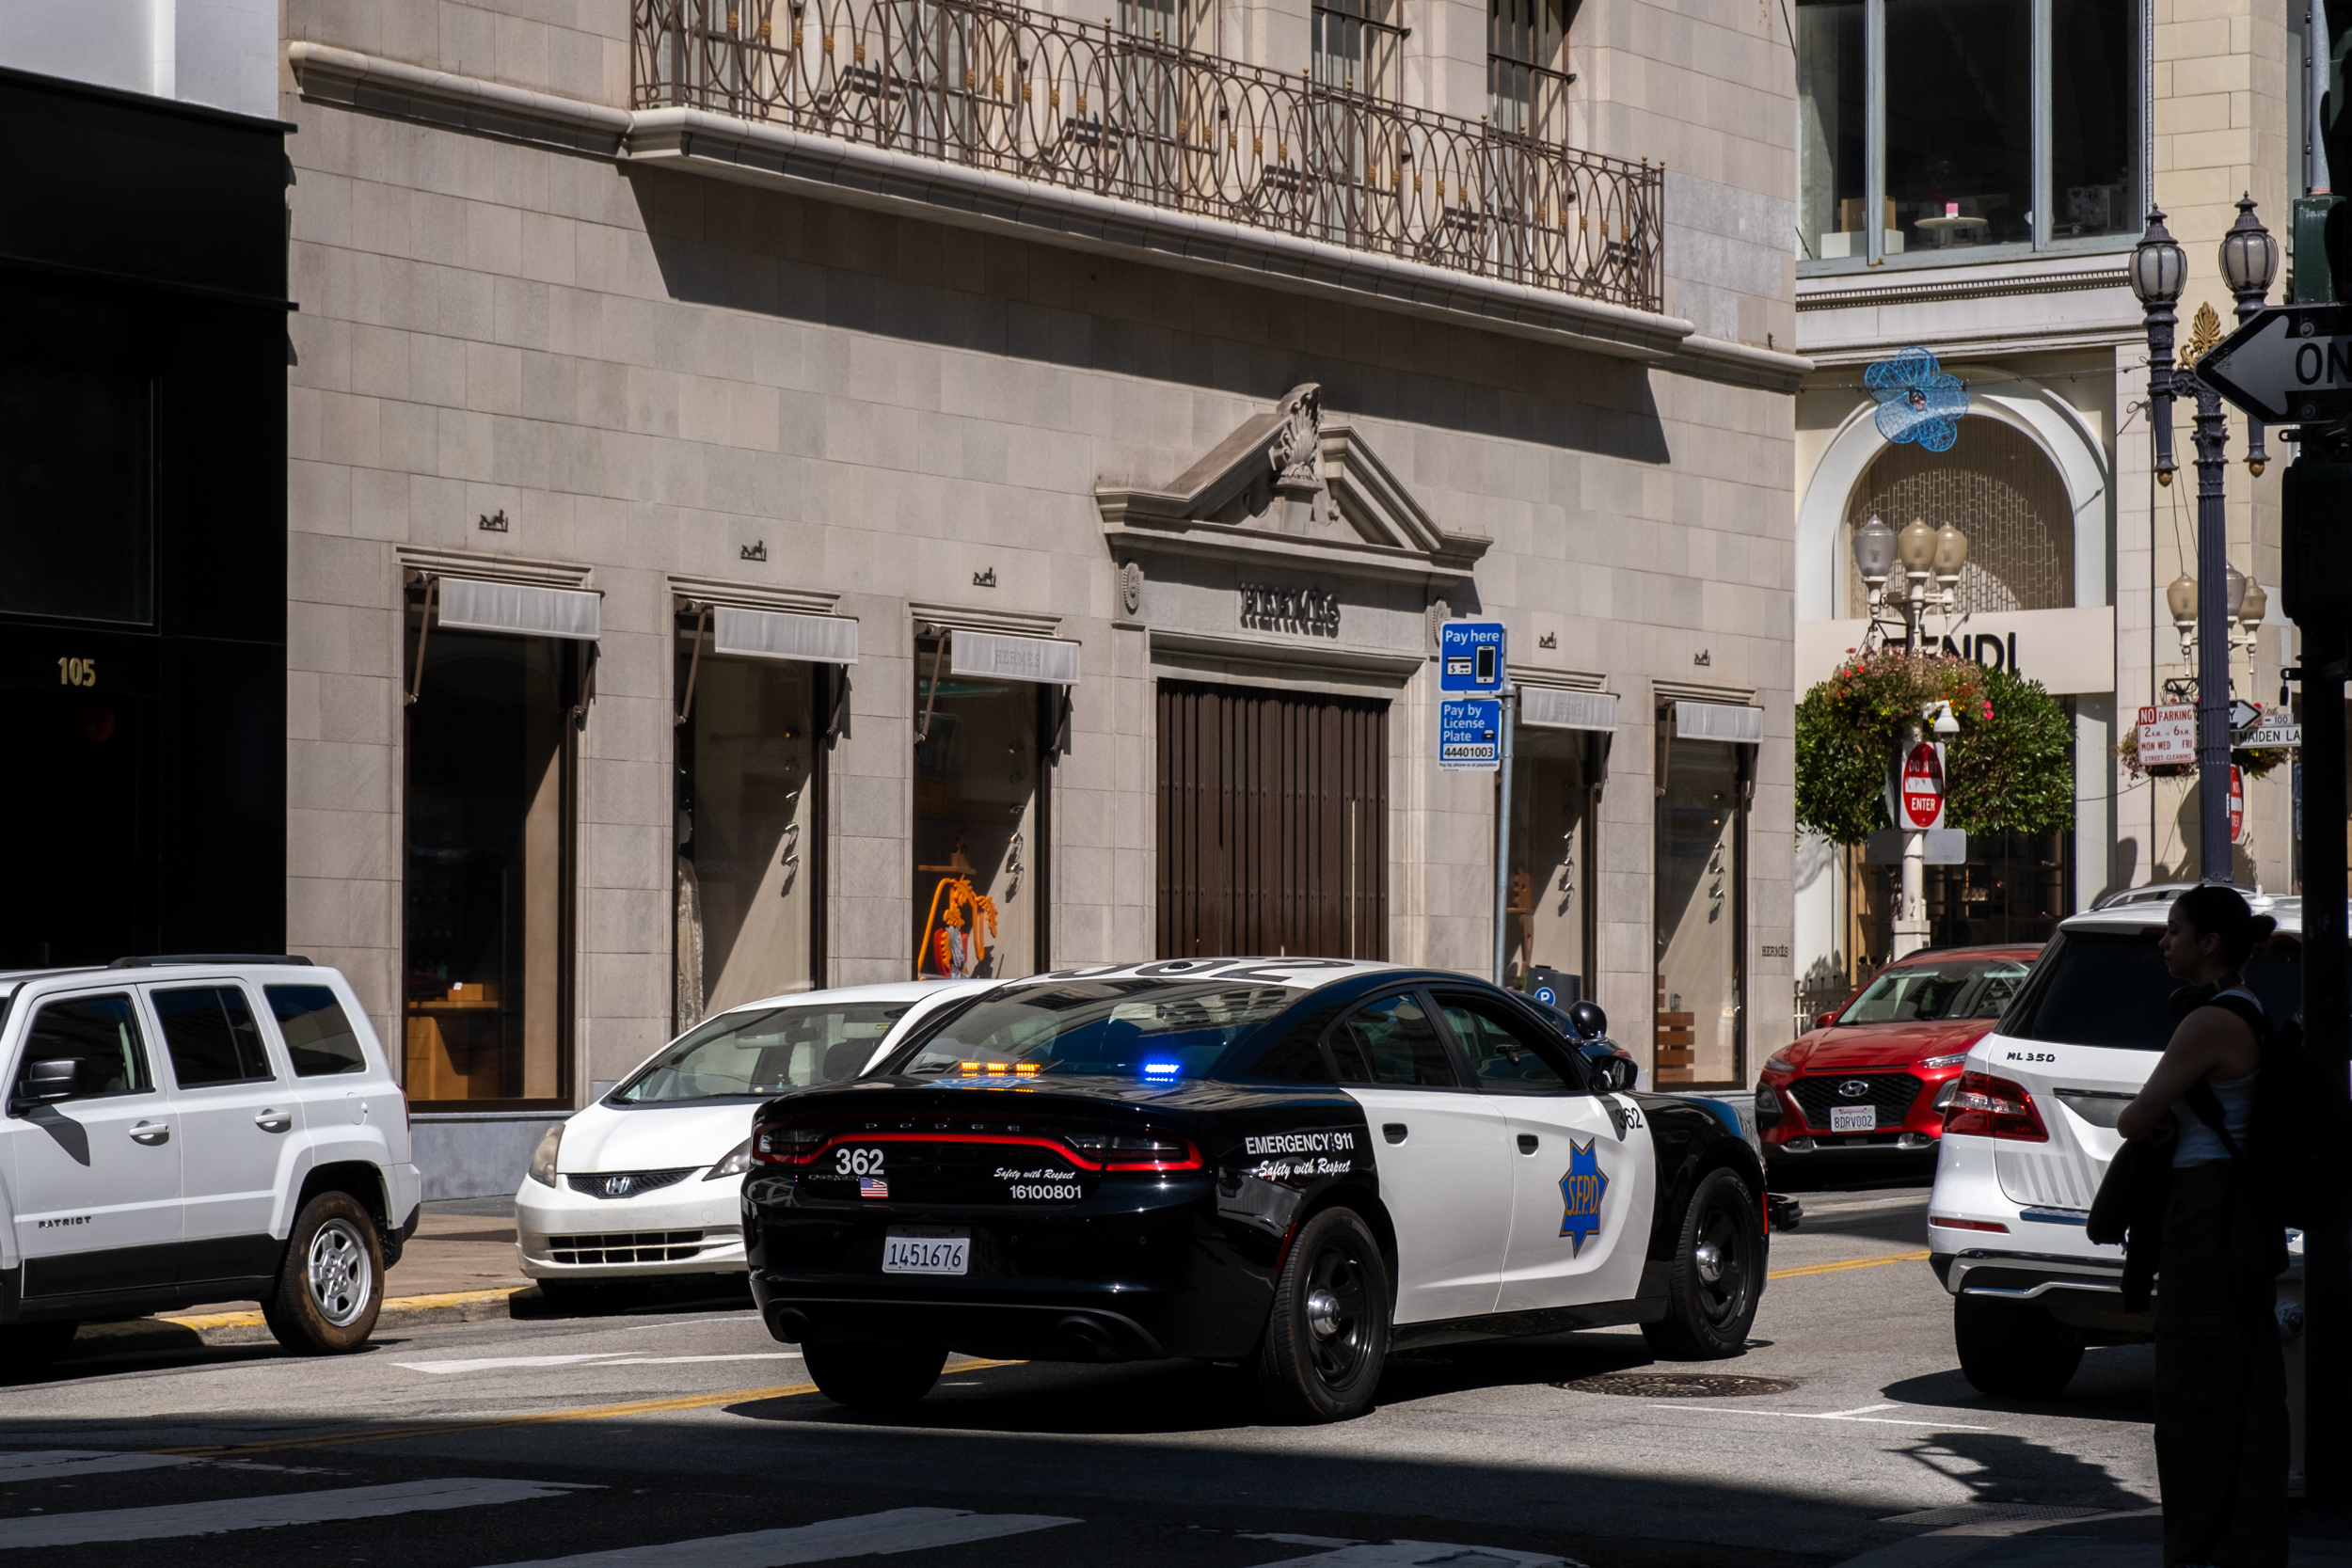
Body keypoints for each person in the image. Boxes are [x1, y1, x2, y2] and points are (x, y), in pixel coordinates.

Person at [2115, 884, 2288, 1568]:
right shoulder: (2244, 1009)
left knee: (2195, 1394)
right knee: (2240, 1386)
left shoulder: (2210, 1021)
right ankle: (2240, 1544)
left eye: (2175, 929)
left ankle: (2205, 1546)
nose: (2165, 941)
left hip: (2208, 1214)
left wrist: (2149, 1117)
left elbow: (2136, 1117)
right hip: (2236, 1217)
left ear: (2209, 942)